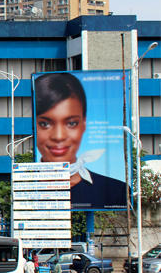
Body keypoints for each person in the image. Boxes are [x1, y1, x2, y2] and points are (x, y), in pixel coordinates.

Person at [34, 72, 127, 208]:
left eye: (71, 123)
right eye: (45, 124)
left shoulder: (117, 191)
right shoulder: (27, 189)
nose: (59, 136)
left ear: (84, 125)